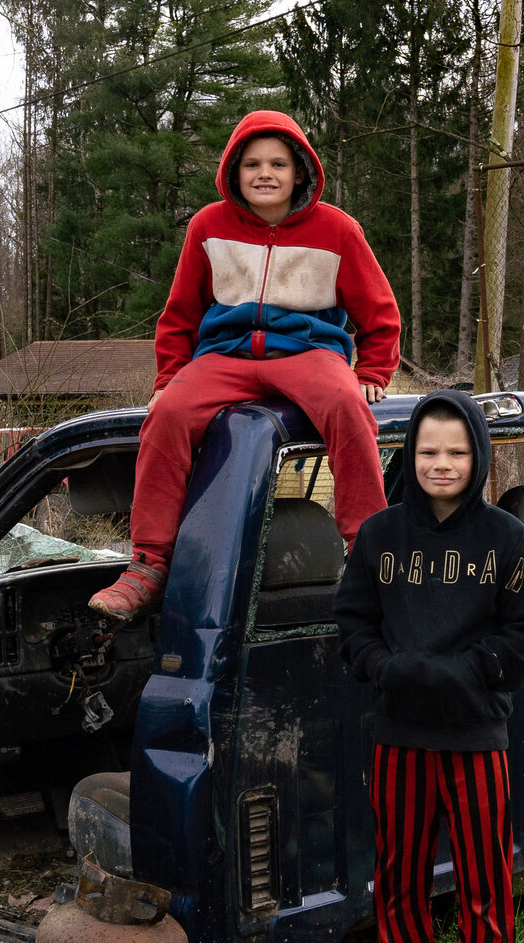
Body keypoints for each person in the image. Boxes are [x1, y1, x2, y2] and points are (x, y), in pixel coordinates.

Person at [88, 109, 400, 620]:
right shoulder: (207, 226)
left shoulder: (338, 230)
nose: (265, 173)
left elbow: (380, 312)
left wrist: (372, 374)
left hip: (309, 353)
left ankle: (368, 553)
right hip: (225, 355)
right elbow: (181, 311)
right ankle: (147, 565)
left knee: (347, 406)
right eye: (252, 163)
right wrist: (168, 377)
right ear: (234, 172)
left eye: (278, 163)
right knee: (165, 417)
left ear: (300, 171)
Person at [332, 392, 524, 943]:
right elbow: (353, 625)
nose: (442, 463)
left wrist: (473, 670)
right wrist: (388, 668)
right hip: (399, 735)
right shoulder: (378, 538)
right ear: (409, 455)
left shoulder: (507, 540)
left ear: (478, 455)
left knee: (485, 879)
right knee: (398, 875)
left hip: (477, 736)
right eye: (429, 451)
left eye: (457, 451)